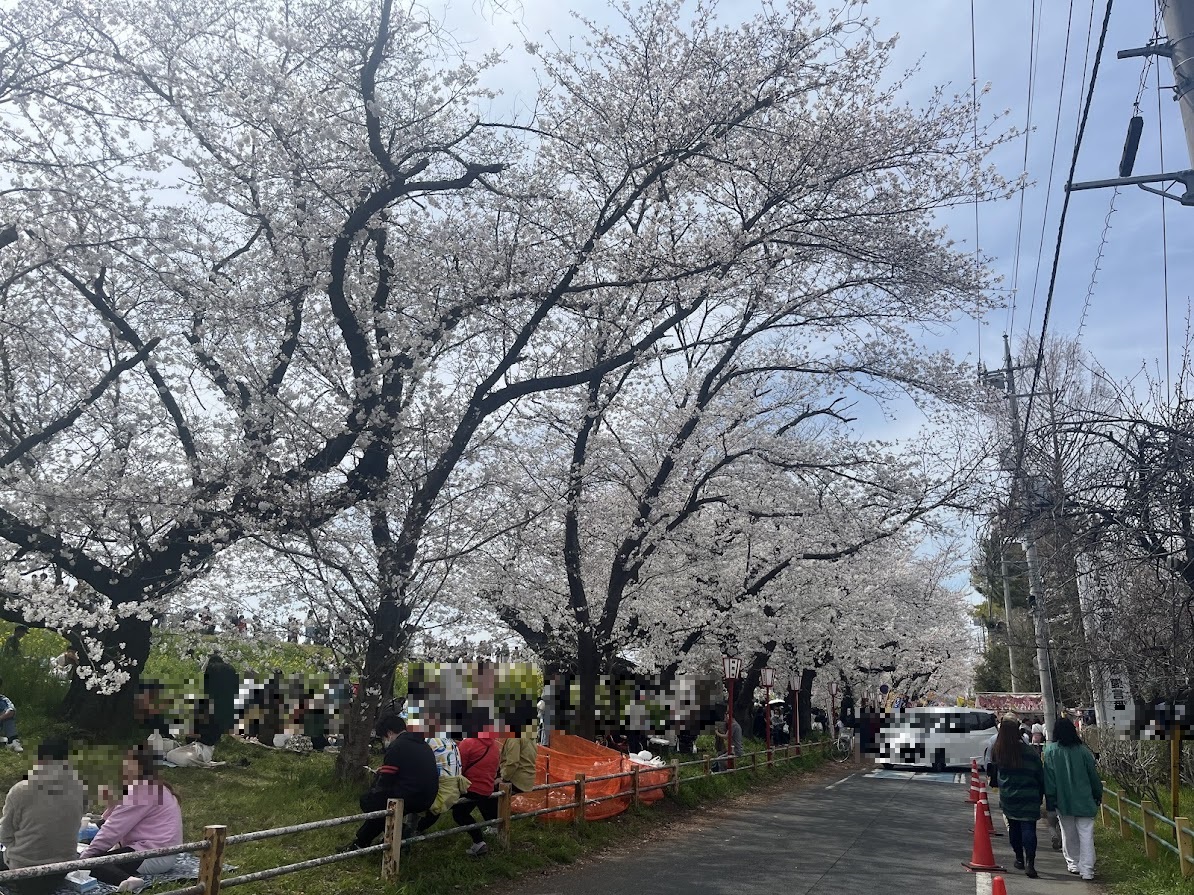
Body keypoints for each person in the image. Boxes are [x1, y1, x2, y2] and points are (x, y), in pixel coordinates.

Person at [81, 746, 184, 893]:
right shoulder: (149, 786)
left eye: (129, 765)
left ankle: (126, 880)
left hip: (152, 854)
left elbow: (112, 829)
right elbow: (107, 822)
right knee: (96, 848)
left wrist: (84, 858)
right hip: (158, 849)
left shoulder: (143, 791)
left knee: (94, 863)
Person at [0, 738, 88, 895]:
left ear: (40, 760)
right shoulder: (80, 787)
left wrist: (15, 847)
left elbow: (5, 834)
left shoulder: (21, 790)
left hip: (25, 869)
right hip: (63, 867)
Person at [340, 715, 438, 852]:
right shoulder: (423, 745)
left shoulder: (397, 746)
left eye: (384, 737)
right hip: (428, 795)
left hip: (410, 797)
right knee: (382, 804)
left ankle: (367, 841)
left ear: (389, 733)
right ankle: (364, 842)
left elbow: (385, 781)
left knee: (375, 804)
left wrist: (371, 795)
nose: (385, 741)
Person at [1044, 716, 1102, 881]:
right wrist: (1098, 794)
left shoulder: (1050, 751)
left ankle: (1073, 864)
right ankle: (1088, 869)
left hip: (1063, 801)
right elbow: (1093, 777)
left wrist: (1051, 799)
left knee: (1068, 834)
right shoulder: (1083, 751)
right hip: (1085, 800)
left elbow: (1049, 779)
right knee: (1086, 835)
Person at [988, 716, 1045, 878]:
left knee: (1013, 828)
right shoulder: (1029, 751)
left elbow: (993, 774)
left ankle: (1019, 858)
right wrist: (1042, 793)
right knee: (1028, 828)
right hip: (1029, 795)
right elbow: (1039, 774)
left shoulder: (999, 751)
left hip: (1009, 796)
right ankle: (1030, 863)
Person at [452, 726, 501, 856]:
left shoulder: (468, 743)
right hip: (487, 788)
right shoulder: (495, 746)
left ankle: (479, 842)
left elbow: (459, 767)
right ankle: (489, 833)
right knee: (463, 811)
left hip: (470, 787)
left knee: (457, 813)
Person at [164, 698, 225, 768]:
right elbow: (189, 739)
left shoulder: (215, 722)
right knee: (170, 755)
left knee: (184, 759)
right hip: (192, 747)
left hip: (204, 749)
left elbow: (211, 740)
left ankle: (202, 763)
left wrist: (198, 736)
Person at [203, 653, 239, 738]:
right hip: (229, 696)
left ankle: (217, 732)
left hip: (216, 696)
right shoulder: (230, 668)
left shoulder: (211, 667)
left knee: (216, 714)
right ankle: (228, 731)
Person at [0, 686, 23, 752]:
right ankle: (5, 741)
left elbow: (12, 711)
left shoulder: (3, 700)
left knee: (7, 715)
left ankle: (12, 741)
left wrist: (1, 717)